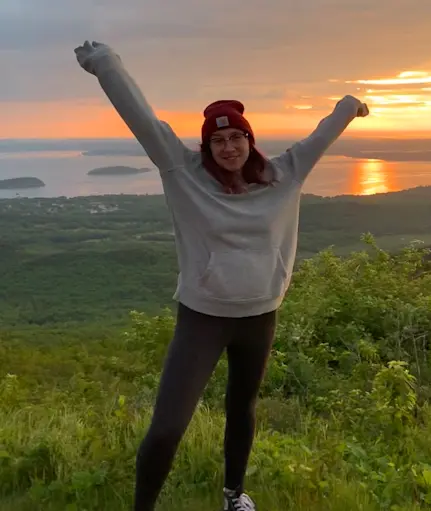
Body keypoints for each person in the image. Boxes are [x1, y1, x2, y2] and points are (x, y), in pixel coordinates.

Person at [73, 40, 369, 511]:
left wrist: (350, 106)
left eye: (236, 138)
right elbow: (144, 120)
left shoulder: (285, 173)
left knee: (241, 408)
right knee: (167, 427)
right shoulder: (182, 171)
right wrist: (105, 64)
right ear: (206, 146)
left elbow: (322, 134)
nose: (229, 147)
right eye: (218, 140)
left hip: (260, 316)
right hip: (203, 317)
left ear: (250, 140)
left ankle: (234, 495)